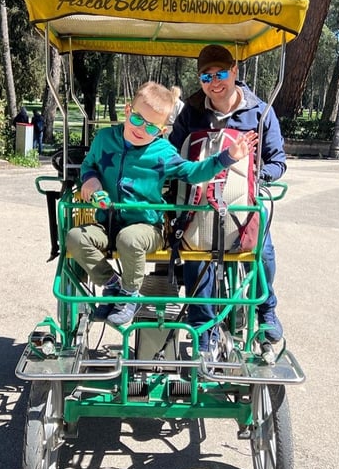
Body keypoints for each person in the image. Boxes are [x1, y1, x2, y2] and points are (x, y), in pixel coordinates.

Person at [65, 81, 257, 328]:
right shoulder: (104, 139)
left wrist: (226, 157)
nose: (141, 130)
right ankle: (113, 284)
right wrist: (92, 185)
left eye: (151, 127)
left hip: (146, 227)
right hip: (107, 223)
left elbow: (193, 172)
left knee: (129, 239)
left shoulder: (162, 152)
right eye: (136, 120)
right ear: (127, 111)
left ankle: (130, 296)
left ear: (163, 130)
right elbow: (89, 167)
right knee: (74, 237)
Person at [169, 44, 286, 357]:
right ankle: (202, 335)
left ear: (235, 71)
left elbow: (278, 161)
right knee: (196, 253)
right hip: (198, 200)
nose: (214, 81)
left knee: (263, 250)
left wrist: (252, 178)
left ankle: (266, 309)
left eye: (221, 73)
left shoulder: (260, 112)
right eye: (206, 76)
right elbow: (170, 153)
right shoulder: (191, 112)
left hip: (242, 202)